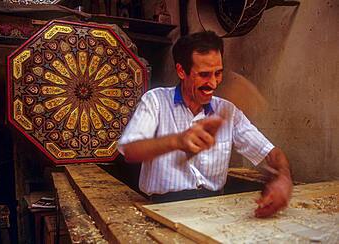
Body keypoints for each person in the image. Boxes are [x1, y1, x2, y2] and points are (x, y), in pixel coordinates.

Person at [118, 31, 292, 218]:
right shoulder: (155, 101)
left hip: (214, 209)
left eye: (218, 73)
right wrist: (177, 141)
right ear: (181, 71)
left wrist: (283, 177)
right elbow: (131, 151)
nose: (213, 83)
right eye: (204, 75)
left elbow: (271, 153)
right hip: (164, 208)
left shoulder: (228, 111)